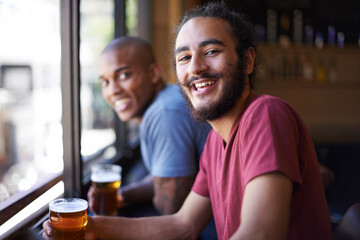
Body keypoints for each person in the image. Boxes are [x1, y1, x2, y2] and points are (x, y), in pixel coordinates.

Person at [43, 2, 332, 239]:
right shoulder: (216, 144)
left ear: (247, 62)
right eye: (184, 58)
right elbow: (183, 225)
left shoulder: (265, 114)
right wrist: (91, 228)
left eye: (211, 52)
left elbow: (261, 232)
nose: (195, 67)